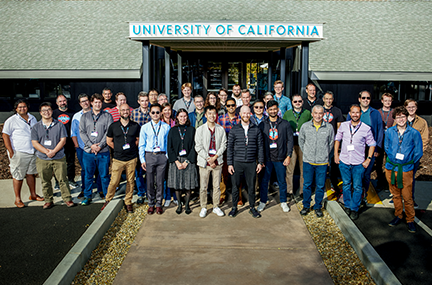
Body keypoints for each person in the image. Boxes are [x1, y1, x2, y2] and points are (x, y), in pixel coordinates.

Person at [334, 105, 376, 220]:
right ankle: (347, 205)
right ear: (350, 113)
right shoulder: (343, 126)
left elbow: (372, 144)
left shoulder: (366, 128)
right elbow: (337, 140)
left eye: (357, 112)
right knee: (346, 185)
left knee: (357, 187)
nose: (355, 115)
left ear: (360, 114)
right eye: (353, 112)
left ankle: (354, 208)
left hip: (358, 163)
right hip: (344, 161)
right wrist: (336, 155)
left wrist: (368, 159)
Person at [385, 106, 423, 233]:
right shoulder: (389, 132)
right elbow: (386, 147)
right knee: (395, 194)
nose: (401, 119)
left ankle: (410, 219)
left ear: (406, 117)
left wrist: (408, 161)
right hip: (391, 167)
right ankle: (398, 215)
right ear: (394, 118)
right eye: (398, 117)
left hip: (406, 169)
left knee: (407, 196)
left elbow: (418, 152)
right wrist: (393, 158)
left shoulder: (414, 133)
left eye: (403, 116)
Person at [31, 102, 75, 209]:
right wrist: (47, 152)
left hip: (58, 157)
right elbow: (35, 142)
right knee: (45, 181)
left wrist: (54, 151)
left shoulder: (59, 125)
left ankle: (67, 199)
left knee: (63, 179)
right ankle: (48, 200)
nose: (47, 112)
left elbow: (63, 140)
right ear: (40, 113)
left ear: (52, 111)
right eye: (44, 110)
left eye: (49, 109)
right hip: (42, 158)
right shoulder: (36, 127)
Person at [2, 100, 42, 208]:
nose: (22, 109)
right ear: (16, 109)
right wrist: (10, 151)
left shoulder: (32, 118)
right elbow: (5, 135)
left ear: (27, 108)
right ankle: (17, 199)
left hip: (32, 151)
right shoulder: (11, 120)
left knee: (31, 174)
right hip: (19, 152)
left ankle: (33, 195)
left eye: (24, 107)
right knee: (18, 176)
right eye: (20, 107)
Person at [227, 105, 264, 218]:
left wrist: (260, 162)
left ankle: (252, 207)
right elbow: (230, 147)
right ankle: (234, 207)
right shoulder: (234, 129)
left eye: (248, 113)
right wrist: (229, 164)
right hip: (237, 162)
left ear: (250, 114)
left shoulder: (256, 129)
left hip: (251, 162)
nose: (246, 115)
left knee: (251, 186)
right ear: (240, 115)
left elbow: (260, 147)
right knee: (235, 186)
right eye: (244, 113)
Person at [102, 104, 140, 213]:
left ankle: (128, 201)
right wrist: (118, 149)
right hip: (118, 159)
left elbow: (137, 140)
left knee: (130, 181)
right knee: (114, 181)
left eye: (127, 110)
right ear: (119, 111)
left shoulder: (135, 126)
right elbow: (109, 141)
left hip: (131, 159)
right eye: (123, 110)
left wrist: (131, 148)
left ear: (130, 111)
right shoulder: (113, 126)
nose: (125, 112)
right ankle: (108, 199)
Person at [257, 100, 293, 213]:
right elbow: (259, 143)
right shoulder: (262, 124)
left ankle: (283, 201)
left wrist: (289, 155)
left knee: (282, 181)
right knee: (264, 181)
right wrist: (260, 159)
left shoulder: (285, 124)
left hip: (280, 157)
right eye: (270, 109)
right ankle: (263, 201)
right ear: (267, 111)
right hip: (267, 158)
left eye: (275, 109)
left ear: (278, 109)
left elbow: (290, 140)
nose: (273, 111)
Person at [299, 105, 334, 218]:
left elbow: (331, 144)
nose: (318, 115)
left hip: (322, 163)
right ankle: (306, 205)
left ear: (323, 114)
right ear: (312, 114)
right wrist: (307, 153)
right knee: (307, 185)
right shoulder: (305, 126)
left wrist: (324, 155)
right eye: (316, 113)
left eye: (320, 113)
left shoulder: (329, 128)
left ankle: (318, 206)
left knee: (320, 186)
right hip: (308, 161)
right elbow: (301, 141)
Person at [347, 91, 384, 200]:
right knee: (355, 173)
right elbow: (347, 130)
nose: (365, 100)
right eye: (363, 98)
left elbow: (380, 131)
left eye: (368, 98)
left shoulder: (375, 113)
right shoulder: (354, 112)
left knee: (367, 174)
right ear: (359, 99)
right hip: (356, 149)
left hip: (370, 149)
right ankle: (355, 194)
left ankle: (363, 195)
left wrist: (377, 148)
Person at [79, 93, 113, 205]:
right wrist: (91, 145)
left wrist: (100, 145)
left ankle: (107, 196)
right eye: (95, 102)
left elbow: (109, 132)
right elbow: (82, 132)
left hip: (103, 152)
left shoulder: (107, 116)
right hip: (88, 152)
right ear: (91, 103)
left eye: (100, 102)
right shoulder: (84, 117)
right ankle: (87, 196)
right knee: (88, 175)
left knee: (104, 175)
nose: (98, 104)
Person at [195, 105, 227, 218]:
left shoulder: (220, 129)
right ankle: (203, 207)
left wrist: (215, 157)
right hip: (204, 162)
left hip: (217, 162)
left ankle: (216, 206)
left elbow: (224, 144)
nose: (212, 116)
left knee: (216, 187)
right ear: (205, 115)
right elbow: (198, 147)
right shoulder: (200, 130)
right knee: (203, 187)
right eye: (209, 113)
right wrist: (209, 158)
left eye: (214, 113)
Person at [138, 103, 170, 215]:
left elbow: (167, 143)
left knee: (160, 181)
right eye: (153, 112)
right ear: (150, 113)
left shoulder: (166, 127)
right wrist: (142, 159)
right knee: (150, 181)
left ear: (161, 113)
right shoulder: (145, 127)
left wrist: (166, 157)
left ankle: (159, 204)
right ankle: (151, 204)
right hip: (150, 155)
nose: (155, 114)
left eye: (157, 112)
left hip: (162, 156)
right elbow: (141, 144)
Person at [167, 108, 198, 215]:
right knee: (177, 185)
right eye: (181, 116)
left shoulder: (192, 130)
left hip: (188, 160)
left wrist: (187, 161)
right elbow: (169, 147)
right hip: (176, 161)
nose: (183, 118)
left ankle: (188, 204)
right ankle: (180, 204)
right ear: (177, 118)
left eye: (185, 116)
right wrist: (176, 162)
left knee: (188, 185)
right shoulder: (172, 130)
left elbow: (195, 146)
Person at [283, 94, 312, 200]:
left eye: (299, 101)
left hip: (304, 144)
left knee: (303, 169)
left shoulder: (307, 113)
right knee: (290, 169)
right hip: (291, 144)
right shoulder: (287, 113)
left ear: (302, 102)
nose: (297, 103)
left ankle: (302, 191)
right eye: (295, 101)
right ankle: (289, 191)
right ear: (292, 102)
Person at [404, 99, 429, 208]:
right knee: (399, 177)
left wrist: (419, 153)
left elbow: (425, 140)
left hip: (414, 156)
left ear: (416, 108)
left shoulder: (422, 122)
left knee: (410, 178)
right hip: (401, 155)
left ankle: (410, 199)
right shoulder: (400, 119)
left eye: (413, 107)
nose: (411, 109)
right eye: (409, 107)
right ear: (405, 108)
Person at [71, 93, 95, 198]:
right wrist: (77, 146)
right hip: (82, 148)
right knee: (85, 170)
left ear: (89, 101)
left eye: (86, 100)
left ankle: (100, 189)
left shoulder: (96, 113)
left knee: (98, 169)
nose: (85, 103)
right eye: (82, 101)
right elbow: (73, 133)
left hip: (97, 147)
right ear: (80, 104)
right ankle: (84, 189)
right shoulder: (76, 116)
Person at [218, 97, 241, 205]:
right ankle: (222, 195)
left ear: (236, 106)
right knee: (223, 174)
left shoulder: (240, 119)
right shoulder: (220, 119)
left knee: (237, 174)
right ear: (225, 107)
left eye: (233, 105)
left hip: (237, 151)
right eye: (228, 106)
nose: (231, 107)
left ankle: (239, 196)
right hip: (224, 150)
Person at [52, 94, 78, 189]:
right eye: (60, 101)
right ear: (57, 103)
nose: (62, 103)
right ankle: (57, 181)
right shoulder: (53, 113)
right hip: (57, 142)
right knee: (57, 162)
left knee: (70, 162)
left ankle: (71, 179)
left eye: (64, 101)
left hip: (69, 142)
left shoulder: (73, 113)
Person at [322, 91, 344, 197]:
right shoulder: (319, 110)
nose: (328, 101)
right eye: (326, 98)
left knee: (333, 167)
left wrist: (337, 143)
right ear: (323, 99)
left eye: (330, 99)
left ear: (333, 99)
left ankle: (334, 185)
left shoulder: (337, 111)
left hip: (332, 142)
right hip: (320, 143)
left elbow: (339, 128)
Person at [131, 91, 151, 204]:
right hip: (138, 146)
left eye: (146, 100)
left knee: (149, 171)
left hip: (150, 147)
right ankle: (141, 193)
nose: (144, 103)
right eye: (142, 101)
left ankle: (149, 193)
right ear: (139, 101)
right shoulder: (133, 113)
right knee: (138, 171)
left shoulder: (152, 112)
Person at [375, 93, 394, 190]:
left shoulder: (394, 112)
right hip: (380, 141)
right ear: (382, 101)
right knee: (378, 163)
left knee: (389, 162)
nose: (388, 102)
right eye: (386, 100)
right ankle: (380, 181)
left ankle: (388, 182)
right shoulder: (377, 112)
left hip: (391, 142)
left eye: (389, 101)